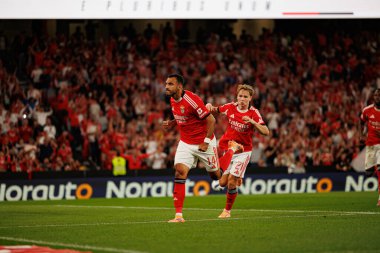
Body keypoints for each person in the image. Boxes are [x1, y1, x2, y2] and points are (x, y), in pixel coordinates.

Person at [163, 74, 243, 223]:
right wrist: (173, 123)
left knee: (216, 176)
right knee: (180, 172)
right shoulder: (172, 99)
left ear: (179, 86)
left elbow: (211, 120)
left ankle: (231, 150)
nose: (166, 86)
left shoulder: (192, 100)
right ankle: (178, 216)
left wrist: (206, 142)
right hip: (186, 143)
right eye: (166, 84)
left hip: (204, 142)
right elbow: (185, 116)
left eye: (170, 84)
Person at [206, 84, 270, 218]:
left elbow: (266, 131)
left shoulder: (253, 112)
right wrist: (209, 106)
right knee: (222, 182)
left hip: (244, 151)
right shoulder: (230, 107)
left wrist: (252, 122)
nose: (242, 99)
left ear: (250, 98)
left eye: (245, 97)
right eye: (240, 96)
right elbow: (216, 109)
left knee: (231, 181)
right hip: (229, 149)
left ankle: (227, 211)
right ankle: (239, 176)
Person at [360, 88, 380, 207]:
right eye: (376, 95)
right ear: (373, 97)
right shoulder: (367, 110)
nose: (378, 97)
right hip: (371, 145)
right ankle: (374, 169)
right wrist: (361, 134)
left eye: (379, 95)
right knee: (368, 173)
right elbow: (361, 121)